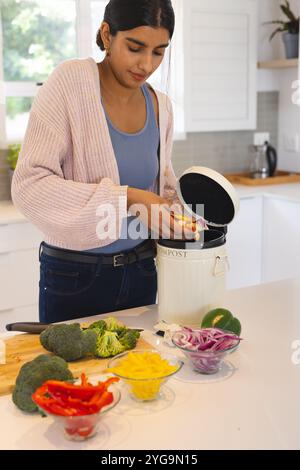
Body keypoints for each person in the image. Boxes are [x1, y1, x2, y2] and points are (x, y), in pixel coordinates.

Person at [12, 0, 196, 324]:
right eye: (135, 47)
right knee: (74, 375)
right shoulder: (70, 83)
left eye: (158, 51)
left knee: (142, 373)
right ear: (107, 35)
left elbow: (162, 188)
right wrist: (128, 197)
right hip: (75, 276)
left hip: (141, 270)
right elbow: (29, 186)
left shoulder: (161, 106)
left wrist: (182, 214)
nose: (146, 63)